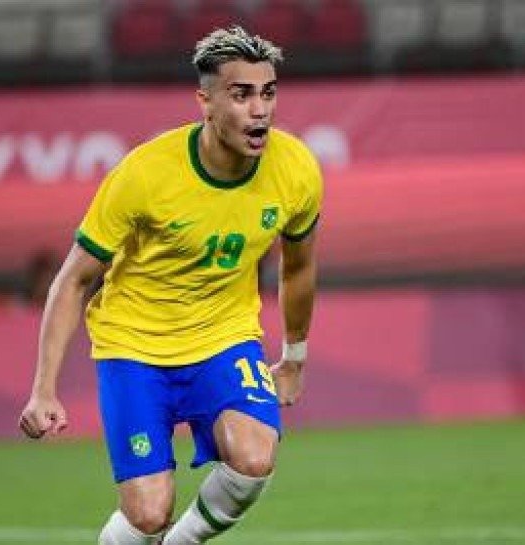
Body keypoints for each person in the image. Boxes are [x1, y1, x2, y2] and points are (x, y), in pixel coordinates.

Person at [19, 26, 322, 545]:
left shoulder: (296, 169)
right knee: (148, 514)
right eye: (241, 94)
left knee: (254, 457)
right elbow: (73, 280)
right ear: (205, 102)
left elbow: (299, 268)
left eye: (268, 93)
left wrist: (293, 357)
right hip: (134, 346)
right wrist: (44, 388)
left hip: (223, 336)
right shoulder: (145, 174)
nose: (260, 110)